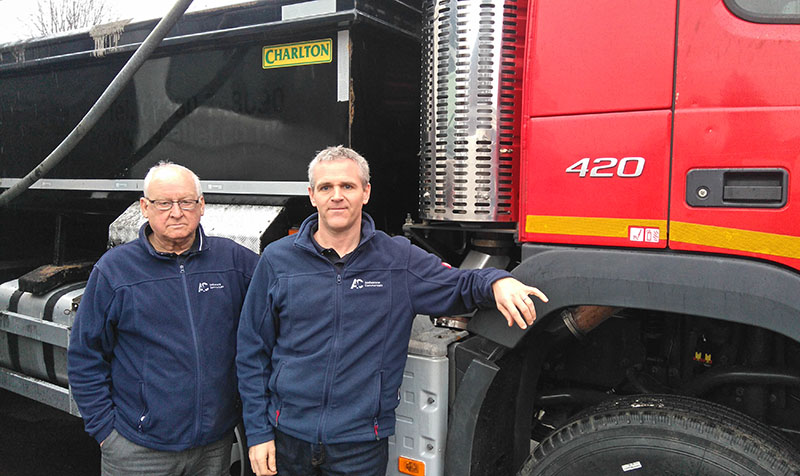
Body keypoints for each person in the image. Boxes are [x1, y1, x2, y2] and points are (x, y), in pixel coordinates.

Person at [236, 146, 548, 476]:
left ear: (366, 192)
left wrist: (497, 281)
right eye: (326, 187)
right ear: (312, 195)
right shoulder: (278, 260)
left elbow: (459, 284)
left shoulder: (398, 260)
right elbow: (252, 350)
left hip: (359, 446)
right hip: (287, 439)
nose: (337, 196)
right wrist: (258, 433)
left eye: (347, 186)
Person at [67, 162, 259, 475]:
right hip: (138, 450)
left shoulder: (233, 261)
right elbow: (85, 354)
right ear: (145, 207)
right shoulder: (115, 270)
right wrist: (105, 431)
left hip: (213, 447)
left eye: (186, 202)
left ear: (201, 206)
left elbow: (284, 295)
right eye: (164, 203)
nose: (176, 212)